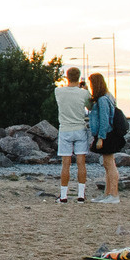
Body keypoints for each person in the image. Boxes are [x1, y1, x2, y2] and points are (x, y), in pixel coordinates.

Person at [54, 66, 93, 202]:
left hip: (65, 129)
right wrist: (85, 89)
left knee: (66, 164)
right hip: (79, 128)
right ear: (79, 77)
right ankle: (81, 194)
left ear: (67, 77)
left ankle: (64, 195)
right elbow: (90, 107)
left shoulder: (58, 91)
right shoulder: (83, 93)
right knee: (81, 163)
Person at [88, 71, 123, 203]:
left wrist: (101, 138)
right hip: (109, 134)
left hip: (106, 135)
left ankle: (113, 195)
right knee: (108, 164)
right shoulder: (108, 96)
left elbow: (104, 120)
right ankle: (108, 194)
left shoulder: (103, 99)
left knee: (109, 164)